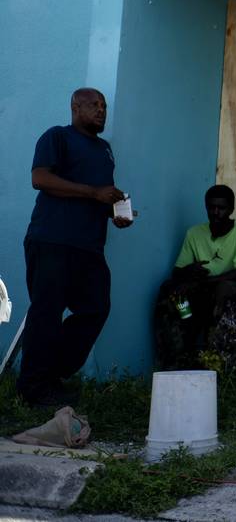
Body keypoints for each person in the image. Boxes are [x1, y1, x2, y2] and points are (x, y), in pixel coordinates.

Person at [17, 88, 133, 407]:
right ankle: (33, 388)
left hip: (89, 247)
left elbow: (98, 196)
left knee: (96, 307)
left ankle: (50, 375)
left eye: (104, 106)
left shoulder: (105, 150)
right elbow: (40, 178)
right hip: (52, 239)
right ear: (75, 107)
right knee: (47, 313)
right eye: (93, 105)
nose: (101, 110)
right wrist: (93, 192)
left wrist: (116, 212)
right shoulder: (57, 137)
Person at [153, 185, 236, 369]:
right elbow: (177, 272)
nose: (216, 212)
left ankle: (214, 357)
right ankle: (177, 353)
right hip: (205, 291)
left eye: (222, 208)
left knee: (224, 289)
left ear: (231, 209)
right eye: (211, 207)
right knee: (170, 289)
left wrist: (200, 282)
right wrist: (189, 270)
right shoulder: (194, 233)